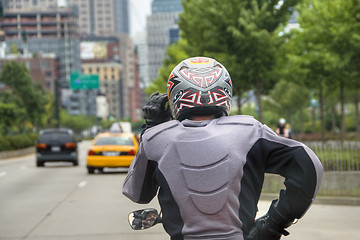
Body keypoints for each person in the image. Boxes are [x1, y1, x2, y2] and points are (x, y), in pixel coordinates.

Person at [122, 57, 323, 240]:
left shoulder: (156, 138)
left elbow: (138, 194)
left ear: (175, 95)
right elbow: (310, 166)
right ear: (224, 91)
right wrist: (274, 223)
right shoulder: (249, 131)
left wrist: (151, 128)